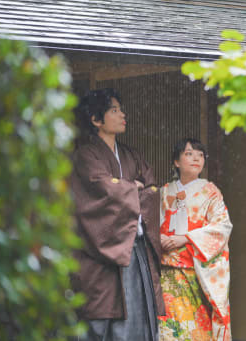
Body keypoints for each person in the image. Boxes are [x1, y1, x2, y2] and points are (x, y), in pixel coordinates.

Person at [70, 88, 165, 341]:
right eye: (115, 110)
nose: (123, 114)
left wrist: (125, 191)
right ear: (95, 119)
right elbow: (99, 191)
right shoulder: (86, 155)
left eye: (121, 109)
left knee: (139, 318)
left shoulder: (131, 155)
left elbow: (152, 190)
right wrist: (131, 188)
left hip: (135, 248)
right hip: (101, 255)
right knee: (103, 315)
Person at [158, 138, 232, 341]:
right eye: (189, 154)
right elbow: (149, 222)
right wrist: (158, 237)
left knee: (197, 330)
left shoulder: (211, 192)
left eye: (200, 155)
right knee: (168, 330)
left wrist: (187, 238)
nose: (196, 158)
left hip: (196, 273)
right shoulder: (164, 191)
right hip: (166, 272)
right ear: (176, 162)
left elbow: (222, 226)